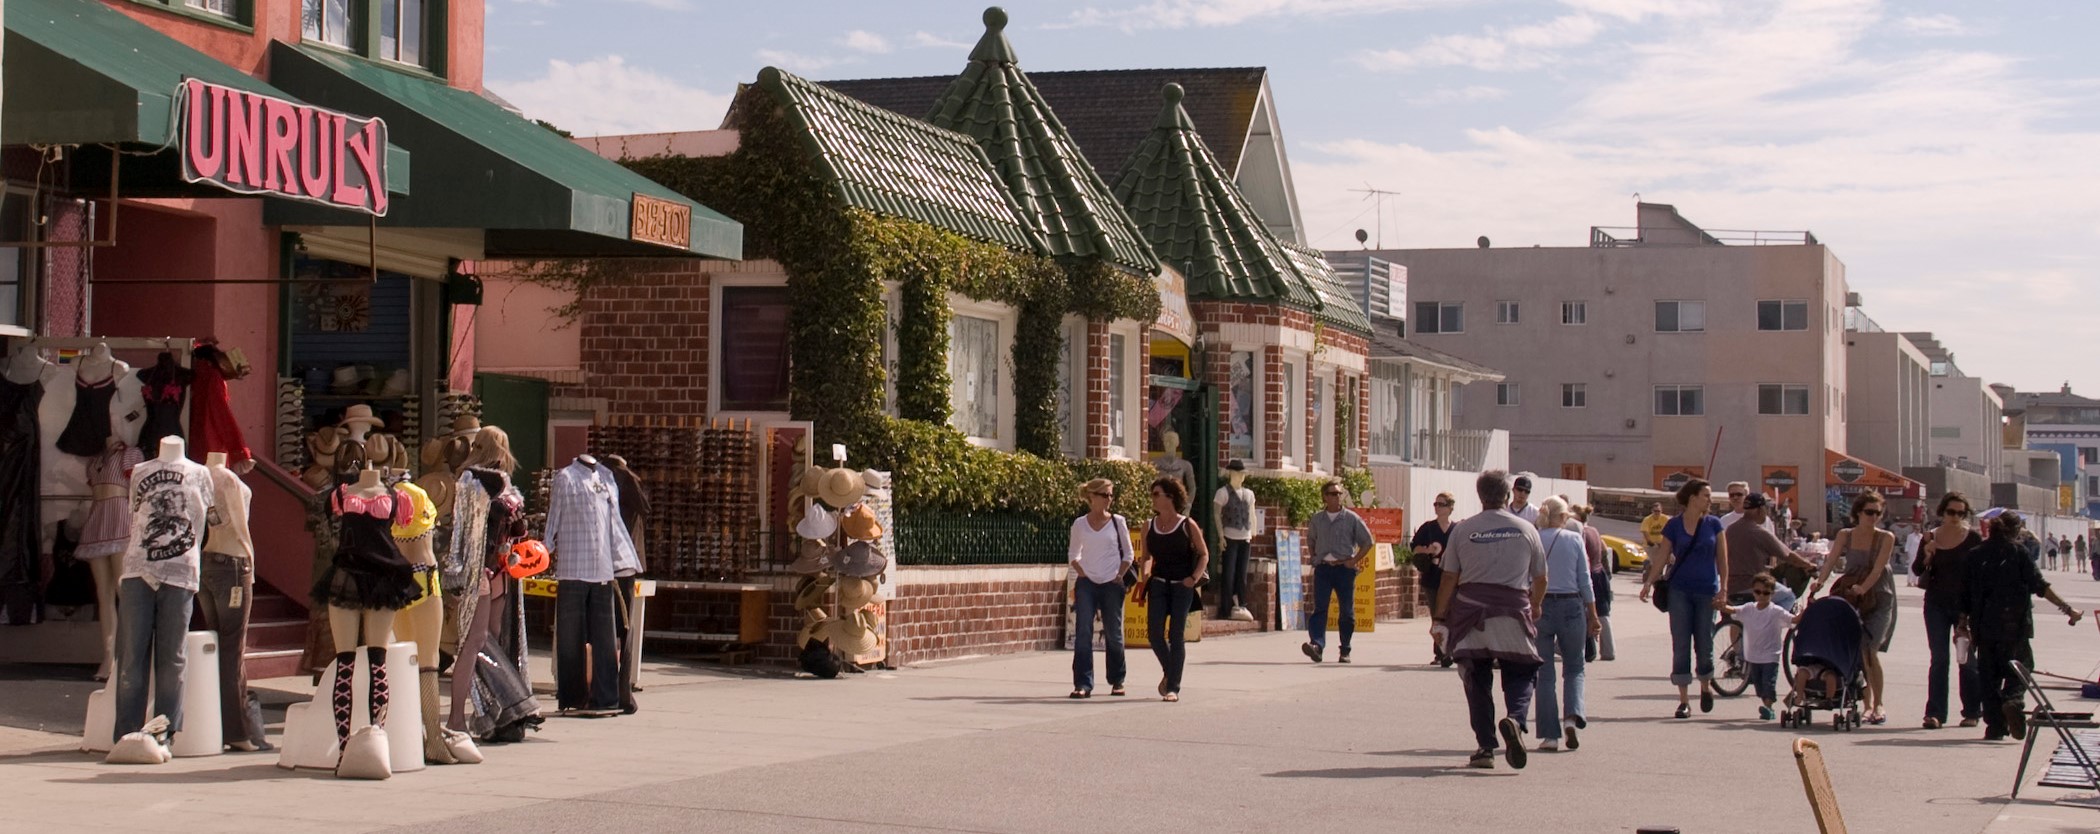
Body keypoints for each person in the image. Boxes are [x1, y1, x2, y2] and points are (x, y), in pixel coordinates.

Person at [1433, 470, 1547, 770]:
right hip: (1513, 612)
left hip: (1471, 615)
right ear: (1507, 496)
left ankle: (1485, 747)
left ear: (1480, 496)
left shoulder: (1462, 530)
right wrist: (1535, 605)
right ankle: (1515, 720)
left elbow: (1449, 577)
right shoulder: (1527, 529)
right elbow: (1541, 578)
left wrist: (1439, 617)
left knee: (1476, 678)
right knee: (1522, 670)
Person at [1959, 511, 2084, 740]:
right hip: (2014, 626)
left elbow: (1964, 594)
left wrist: (1961, 624)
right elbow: (2040, 585)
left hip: (1983, 627)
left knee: (1989, 676)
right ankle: (2013, 700)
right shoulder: (2018, 552)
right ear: (2016, 530)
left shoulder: (1975, 554)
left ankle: (1995, 727)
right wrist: (2068, 610)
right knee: (2022, 666)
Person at [1639, 478, 1728, 719]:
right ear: (1692, 498)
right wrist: (1649, 582)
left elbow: (1722, 559)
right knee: (1680, 644)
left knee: (1704, 642)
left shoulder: (1714, 524)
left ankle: (1705, 685)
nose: (1710, 500)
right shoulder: (1674, 526)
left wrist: (1724, 589)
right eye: (1706, 495)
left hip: (1706, 590)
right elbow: (1662, 556)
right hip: (1679, 590)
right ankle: (1684, 701)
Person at [1810, 492, 1897, 725]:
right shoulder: (1845, 535)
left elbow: (1878, 569)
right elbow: (1831, 561)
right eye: (1869, 512)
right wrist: (1820, 582)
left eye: (1878, 513)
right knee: (1856, 650)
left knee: (1870, 648)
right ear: (1858, 512)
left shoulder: (1885, 537)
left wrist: (1863, 588)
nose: (1874, 517)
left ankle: (1878, 704)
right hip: (1852, 596)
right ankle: (1866, 705)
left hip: (1879, 597)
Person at [1531, 498, 1600, 752]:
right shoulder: (1574, 539)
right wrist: (1593, 614)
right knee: (1574, 667)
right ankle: (1572, 716)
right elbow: (1585, 579)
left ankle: (1550, 735)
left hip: (1541, 605)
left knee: (1544, 673)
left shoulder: (1536, 538)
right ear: (1563, 517)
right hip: (1571, 605)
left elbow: (1528, 576)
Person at [1135, 476, 1208, 702]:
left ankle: (1172, 687)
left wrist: (1193, 578)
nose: (1153, 498)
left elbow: (1204, 554)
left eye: (1157, 494)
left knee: (1176, 635)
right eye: (1152, 494)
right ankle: (1171, 671)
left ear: (1171, 497)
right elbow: (1147, 556)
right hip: (1158, 584)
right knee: (1154, 634)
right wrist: (1145, 572)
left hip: (1182, 586)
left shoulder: (1187, 525)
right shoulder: (1149, 525)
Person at [1915, 491, 1983, 729]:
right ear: (1942, 512)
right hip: (1936, 604)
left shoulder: (1973, 538)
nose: (1955, 517)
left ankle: (1972, 711)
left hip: (1964, 608)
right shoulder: (1930, 537)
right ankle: (1935, 713)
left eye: (1961, 513)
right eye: (1951, 512)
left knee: (1966, 659)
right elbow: (1916, 570)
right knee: (1939, 659)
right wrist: (1927, 554)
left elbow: (1980, 572)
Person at [1066, 478, 1132, 699]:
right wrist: (1082, 573)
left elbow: (1128, 554)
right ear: (1092, 497)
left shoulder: (1118, 522)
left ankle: (1117, 680)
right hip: (1087, 584)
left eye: (1111, 495)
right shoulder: (1080, 524)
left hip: (1112, 583)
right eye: (1104, 495)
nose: (1109, 499)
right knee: (1083, 632)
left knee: (1113, 632)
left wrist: (1119, 574)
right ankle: (1083, 683)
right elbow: (1073, 554)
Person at [1301, 479, 1374, 664]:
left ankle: (1345, 649)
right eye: (1333, 494)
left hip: (1344, 569)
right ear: (1325, 497)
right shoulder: (1318, 519)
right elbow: (1311, 539)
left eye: (1340, 494)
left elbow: (1368, 541)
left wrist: (1354, 560)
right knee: (1320, 608)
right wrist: (1314, 557)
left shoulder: (1351, 518)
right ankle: (1317, 645)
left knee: (1346, 611)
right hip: (1324, 568)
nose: (1338, 497)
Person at [1721, 573, 1792, 720]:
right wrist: (1721, 606)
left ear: (1772, 594)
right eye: (1758, 592)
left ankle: (1769, 708)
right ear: (1753, 592)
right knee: (1759, 687)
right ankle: (1766, 703)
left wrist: (1806, 612)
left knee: (1768, 683)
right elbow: (1734, 611)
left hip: (1771, 656)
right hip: (1753, 656)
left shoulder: (1776, 611)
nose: (1761, 596)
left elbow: (1793, 620)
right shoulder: (1749, 608)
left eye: (1766, 593)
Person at [1723, 494, 1814, 604]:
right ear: (1760, 509)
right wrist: (1808, 564)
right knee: (1788, 596)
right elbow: (1788, 556)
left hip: (1730, 586)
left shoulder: (1731, 529)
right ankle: (1771, 616)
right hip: (1753, 585)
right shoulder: (1759, 532)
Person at [1410, 492, 1459, 667]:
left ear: (1450, 507)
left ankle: (1450, 649)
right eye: (1436, 504)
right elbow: (1414, 548)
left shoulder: (1457, 529)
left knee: (1451, 614)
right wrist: (1427, 550)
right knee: (1437, 614)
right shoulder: (1428, 528)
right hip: (1432, 577)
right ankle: (1440, 652)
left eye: (1441, 504)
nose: (1437, 507)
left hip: (1452, 578)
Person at [1212, 460, 1256, 621]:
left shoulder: (1249, 494)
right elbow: (1217, 514)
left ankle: (1241, 603)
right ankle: (1226, 607)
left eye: (1243, 474)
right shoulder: (1222, 493)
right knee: (1228, 573)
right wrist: (1221, 536)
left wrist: (1253, 530)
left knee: (1241, 573)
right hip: (1230, 536)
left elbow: (1252, 513)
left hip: (1245, 537)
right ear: (1231, 474)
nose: (1241, 476)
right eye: (1238, 473)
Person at [1575, 504, 1614, 662]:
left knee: (1586, 611)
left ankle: (1583, 648)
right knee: (1603, 612)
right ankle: (1608, 650)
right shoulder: (1594, 530)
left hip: (1589, 574)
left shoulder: (1581, 533)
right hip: (1600, 574)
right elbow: (1604, 549)